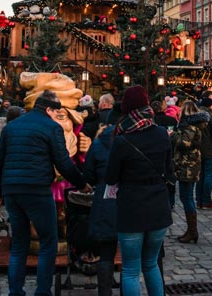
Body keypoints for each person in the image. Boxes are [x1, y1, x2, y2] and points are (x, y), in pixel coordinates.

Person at [0, 91, 90, 296]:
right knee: (48, 241)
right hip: (37, 190)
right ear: (48, 110)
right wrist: (82, 184)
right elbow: (63, 163)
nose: (57, 116)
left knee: (19, 243)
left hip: (12, 190)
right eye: (56, 112)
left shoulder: (12, 126)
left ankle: (15, 292)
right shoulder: (52, 127)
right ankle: (43, 291)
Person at [104, 85, 174, 296]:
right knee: (151, 264)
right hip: (158, 207)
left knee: (131, 269)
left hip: (132, 208)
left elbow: (111, 177)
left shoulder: (122, 139)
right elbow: (169, 171)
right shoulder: (162, 134)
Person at [84, 109, 118, 296]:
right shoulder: (132, 141)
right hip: (131, 200)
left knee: (106, 252)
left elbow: (88, 174)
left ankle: (104, 292)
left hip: (105, 199)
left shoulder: (97, 144)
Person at [172, 100, 208, 244]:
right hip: (189, 165)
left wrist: (173, 136)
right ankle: (191, 230)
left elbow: (184, 144)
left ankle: (192, 231)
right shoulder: (194, 126)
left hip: (187, 166)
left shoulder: (189, 127)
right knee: (186, 197)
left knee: (186, 197)